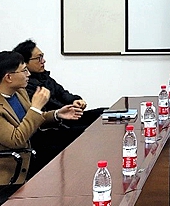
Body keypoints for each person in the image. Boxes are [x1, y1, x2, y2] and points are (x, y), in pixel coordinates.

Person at [0, 51, 81, 187]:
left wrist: (57, 114)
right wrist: (36, 107)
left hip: (30, 150)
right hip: (12, 169)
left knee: (75, 145)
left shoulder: (17, 91)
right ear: (8, 77)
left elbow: (30, 121)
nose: (28, 74)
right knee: (69, 156)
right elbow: (16, 140)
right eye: (24, 71)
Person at [13, 40, 104, 174]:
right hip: (55, 125)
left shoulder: (44, 77)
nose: (43, 61)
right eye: (39, 58)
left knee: (104, 113)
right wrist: (64, 110)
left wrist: (75, 100)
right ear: (25, 63)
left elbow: (62, 93)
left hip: (65, 116)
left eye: (42, 56)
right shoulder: (26, 86)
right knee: (92, 131)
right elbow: (46, 109)